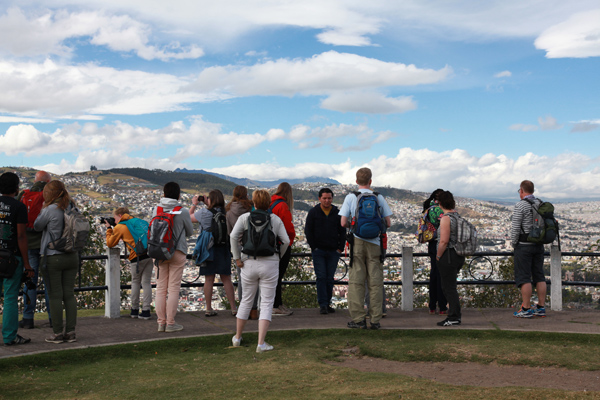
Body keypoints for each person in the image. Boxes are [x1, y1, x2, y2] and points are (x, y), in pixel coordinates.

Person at [230, 190, 290, 353]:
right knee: (266, 302)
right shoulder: (275, 220)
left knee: (246, 301)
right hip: (270, 263)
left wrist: (237, 258)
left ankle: (237, 337)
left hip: (248, 262)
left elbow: (233, 237)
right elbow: (286, 241)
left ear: (254, 202)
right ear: (269, 203)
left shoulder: (245, 218)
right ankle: (261, 343)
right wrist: (278, 256)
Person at [339, 168, 392, 330]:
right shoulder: (378, 197)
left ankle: (358, 319)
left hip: (357, 243)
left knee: (356, 282)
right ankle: (375, 319)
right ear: (370, 181)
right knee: (375, 282)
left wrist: (353, 226)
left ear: (356, 181)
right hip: (375, 243)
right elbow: (388, 223)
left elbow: (342, 223)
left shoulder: (351, 197)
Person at [34, 180, 80, 343]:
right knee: (69, 294)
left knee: (55, 295)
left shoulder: (50, 209)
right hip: (72, 255)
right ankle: (71, 331)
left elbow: (37, 226)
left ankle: (58, 333)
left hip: (53, 255)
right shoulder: (73, 207)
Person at [152, 182, 193, 332]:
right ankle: (170, 323)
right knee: (174, 288)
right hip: (177, 251)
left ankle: (160, 322)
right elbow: (189, 232)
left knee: (161, 288)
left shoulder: (156, 209)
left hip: (160, 252)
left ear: (163, 194)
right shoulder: (182, 211)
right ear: (178, 195)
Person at [190, 189, 237, 316]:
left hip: (208, 249)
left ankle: (209, 309)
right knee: (226, 278)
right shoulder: (227, 212)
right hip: (223, 248)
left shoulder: (204, 212)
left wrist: (194, 204)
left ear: (210, 200)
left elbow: (189, 218)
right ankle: (233, 308)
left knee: (209, 279)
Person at [0, 172, 34, 346]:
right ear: (16, 188)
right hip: (11, 258)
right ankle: (9, 336)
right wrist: (27, 264)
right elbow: (21, 236)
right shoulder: (18, 207)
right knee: (11, 298)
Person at [17, 170, 52, 329]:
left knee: (30, 282)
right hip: (46, 245)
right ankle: (53, 318)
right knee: (49, 283)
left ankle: (28, 318)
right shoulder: (50, 197)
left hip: (28, 244)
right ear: (48, 182)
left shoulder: (24, 195)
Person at [105, 207, 153, 319]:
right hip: (149, 254)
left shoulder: (121, 227)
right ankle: (146, 311)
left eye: (116, 218)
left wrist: (109, 228)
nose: (115, 220)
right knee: (146, 283)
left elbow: (110, 243)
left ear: (120, 216)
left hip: (136, 257)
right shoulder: (138, 222)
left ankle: (134, 310)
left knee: (136, 282)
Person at [304, 188, 345, 315]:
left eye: (329, 198)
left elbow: (342, 231)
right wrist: (314, 247)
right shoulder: (313, 212)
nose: (327, 200)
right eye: (324, 198)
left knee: (329, 278)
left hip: (333, 250)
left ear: (332, 199)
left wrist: (340, 248)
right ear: (319, 199)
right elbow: (308, 231)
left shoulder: (337, 213)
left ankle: (327, 303)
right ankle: (323, 304)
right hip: (319, 250)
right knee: (321, 277)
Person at [510, 180, 547, 318]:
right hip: (538, 245)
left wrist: (514, 244)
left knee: (524, 277)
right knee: (539, 275)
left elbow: (515, 227)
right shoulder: (540, 203)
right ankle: (541, 307)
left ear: (521, 190)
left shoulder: (521, 205)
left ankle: (526, 308)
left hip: (524, 245)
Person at [225, 185, 257, 317]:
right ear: (246, 194)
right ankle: (253, 310)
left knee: (242, 278)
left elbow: (229, 232)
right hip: (252, 245)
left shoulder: (228, 210)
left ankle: (243, 309)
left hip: (237, 246)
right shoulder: (250, 208)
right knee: (255, 278)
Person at [435, 190, 465, 327]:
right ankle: (455, 315)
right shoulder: (458, 217)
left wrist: (438, 256)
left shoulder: (446, 219)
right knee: (450, 286)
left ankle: (453, 316)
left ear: (440, 203)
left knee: (448, 287)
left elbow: (444, 241)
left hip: (448, 255)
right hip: (459, 254)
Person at [270, 182, 296, 316]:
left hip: (269, 245)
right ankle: (276, 305)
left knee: (274, 276)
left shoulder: (270, 203)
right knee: (278, 276)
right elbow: (287, 227)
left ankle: (277, 303)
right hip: (281, 244)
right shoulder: (282, 205)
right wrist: (291, 238)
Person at [423, 189, 448, 315]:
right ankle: (442, 307)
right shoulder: (440, 210)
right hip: (442, 243)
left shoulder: (428, 208)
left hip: (432, 244)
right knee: (442, 275)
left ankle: (432, 306)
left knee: (433, 275)